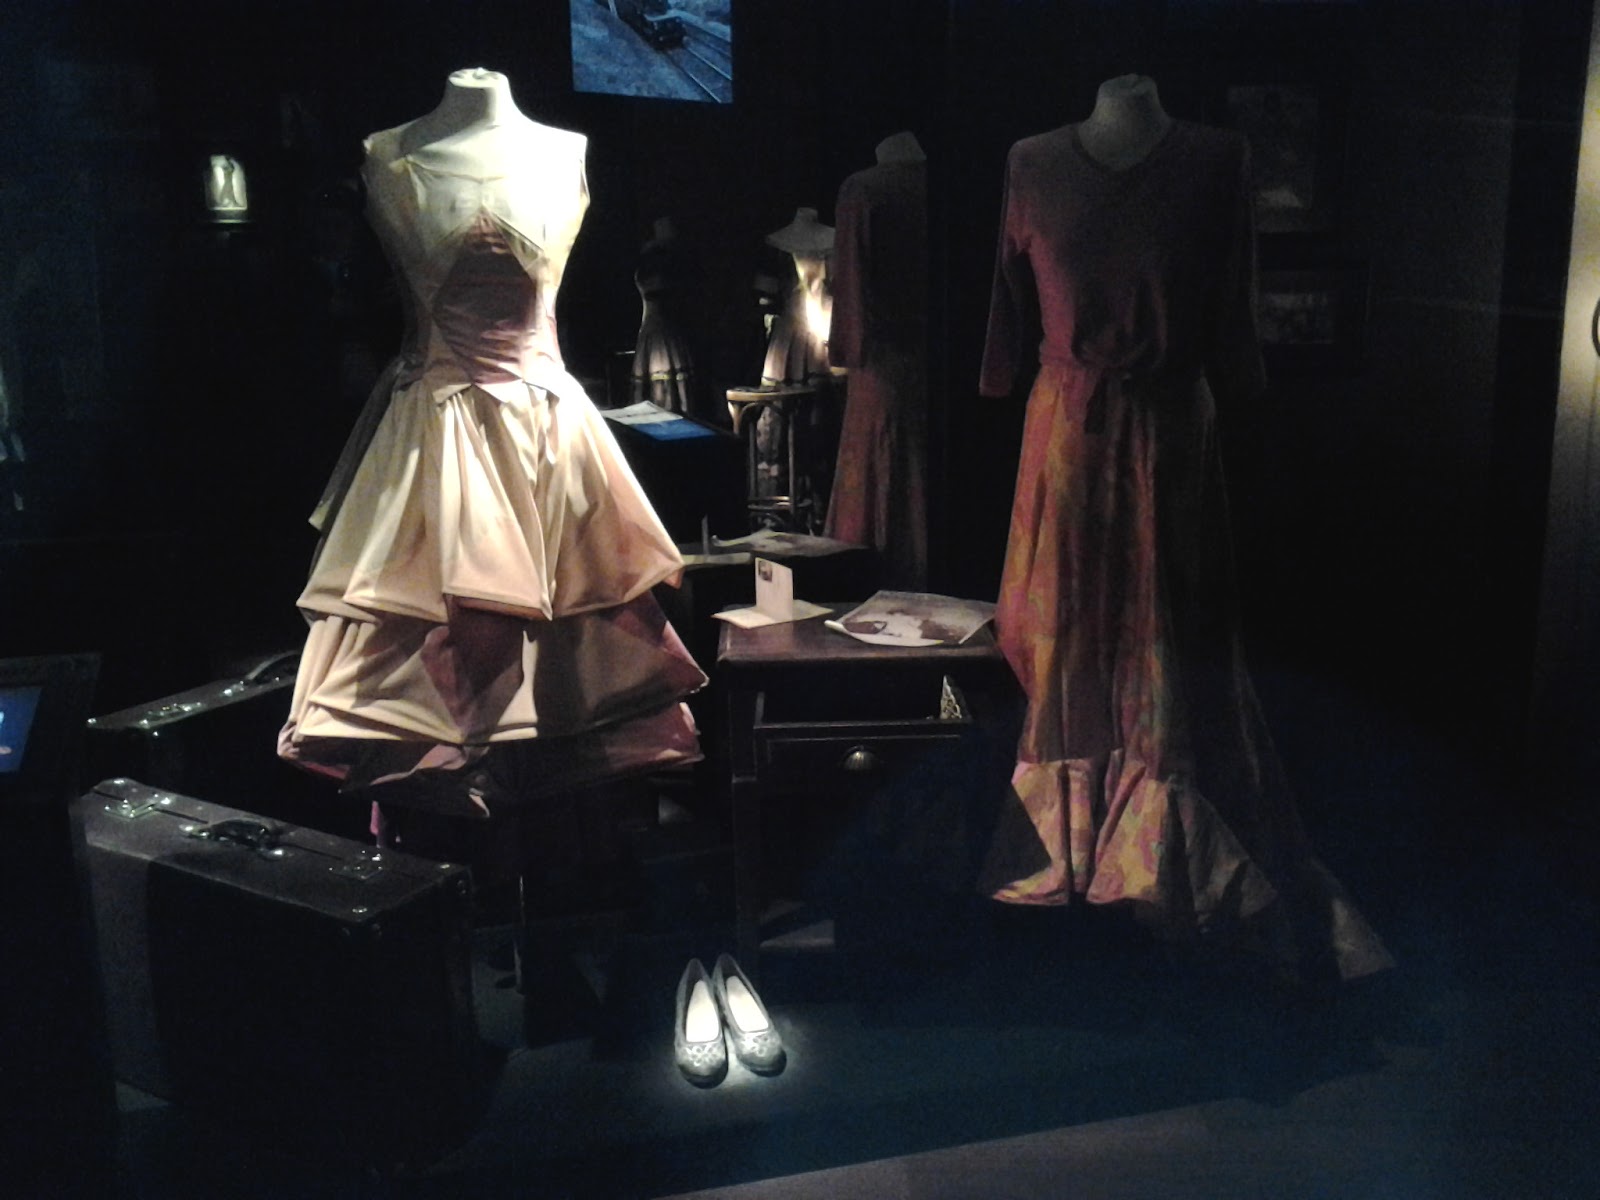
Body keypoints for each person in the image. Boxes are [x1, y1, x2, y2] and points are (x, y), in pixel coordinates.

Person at [979, 74, 1390, 983]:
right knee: (1064, 649)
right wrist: (1005, 372)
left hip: (1168, 440)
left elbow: (1234, 322)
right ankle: (1067, 866)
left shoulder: (1217, 160)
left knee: (1166, 654)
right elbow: (1008, 314)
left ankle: (1164, 876)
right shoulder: (1031, 163)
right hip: (1067, 438)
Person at [279, 69, 705, 830]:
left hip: (547, 433)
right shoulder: (388, 154)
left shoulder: (564, 151)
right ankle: (460, 847)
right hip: (433, 438)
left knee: (570, 642)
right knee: (439, 630)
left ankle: (559, 851)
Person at [824, 131, 930, 588]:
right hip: (934, 367)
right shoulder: (941, 187)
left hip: (880, 364)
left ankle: (873, 577)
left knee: (878, 471)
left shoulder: (863, 190)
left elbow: (851, 282)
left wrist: (845, 351)